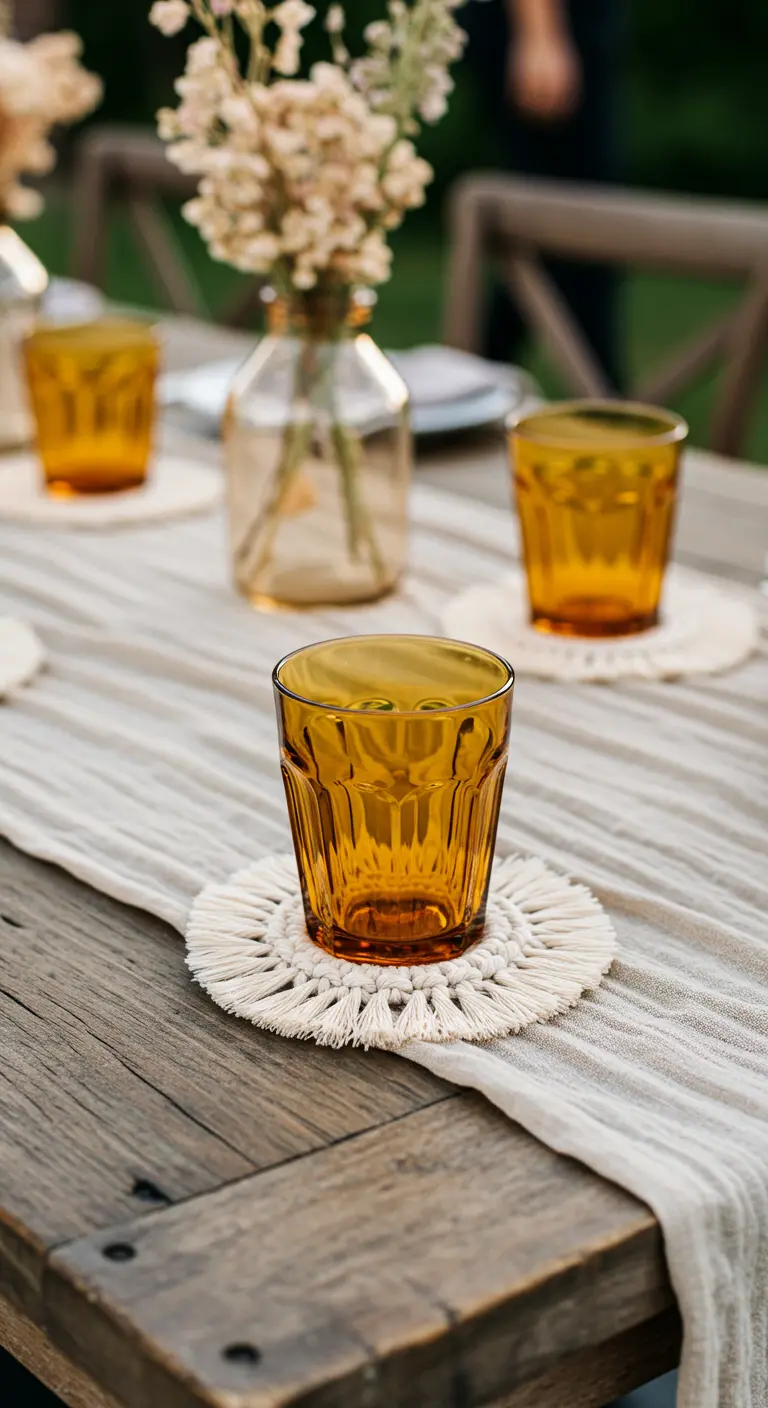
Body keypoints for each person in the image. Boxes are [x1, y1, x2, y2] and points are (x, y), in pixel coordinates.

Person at [462, 0, 625, 386]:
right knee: (585, 234)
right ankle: (606, 403)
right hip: (551, 28)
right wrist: (540, 33)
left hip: (560, 27)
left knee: (553, 245)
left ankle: (472, 378)